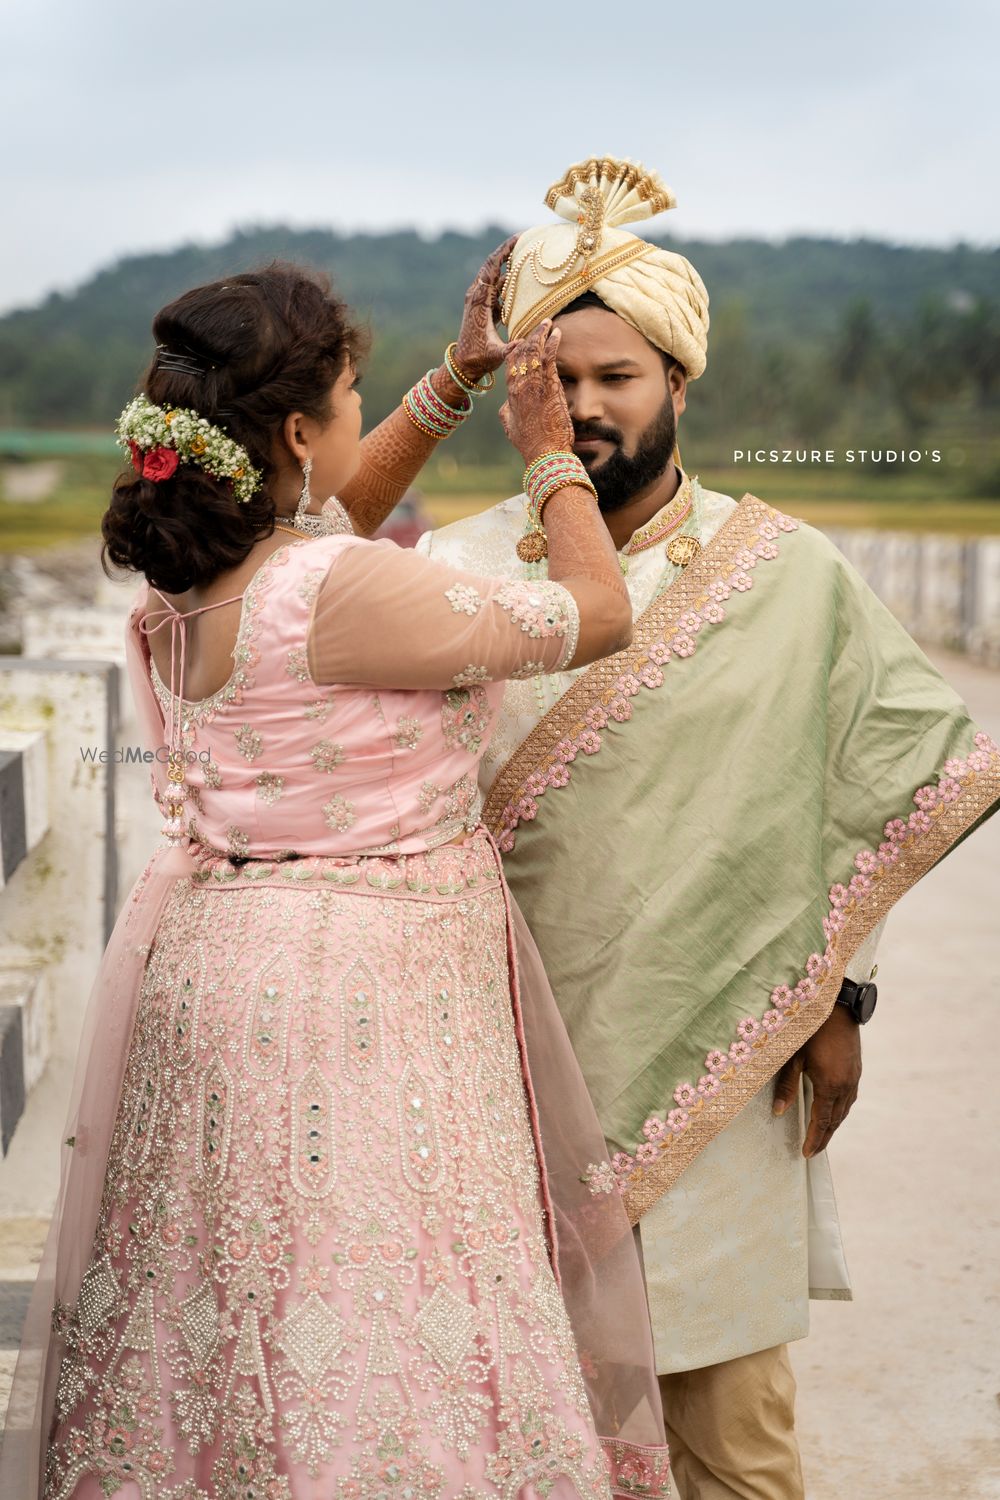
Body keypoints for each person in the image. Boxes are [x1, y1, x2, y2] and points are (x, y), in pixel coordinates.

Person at [0, 252, 672, 1498]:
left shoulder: (195, 578)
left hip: (218, 974)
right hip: (365, 1004)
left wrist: (455, 378)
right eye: (354, 398)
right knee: (382, 1301)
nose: (367, 419)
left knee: (240, 1296)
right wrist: (546, 454)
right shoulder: (344, 589)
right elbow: (598, 609)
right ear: (299, 432)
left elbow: (327, 520)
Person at [418, 157, 1000, 1500]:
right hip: (499, 1087)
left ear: (680, 382)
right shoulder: (448, 578)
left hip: (724, 1082)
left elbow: (882, 783)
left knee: (735, 1445)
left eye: (614, 377)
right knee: (525, 1439)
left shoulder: (785, 574)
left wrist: (838, 995)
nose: (580, 407)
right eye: (553, 379)